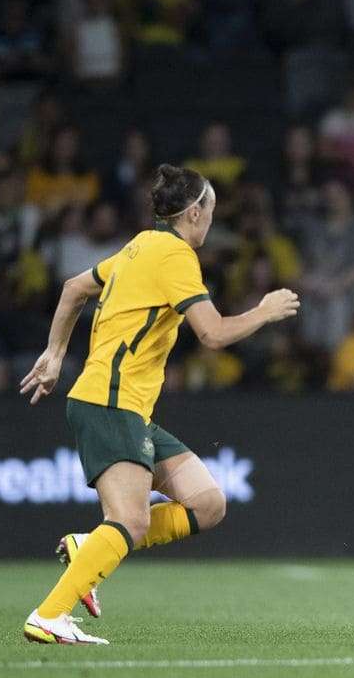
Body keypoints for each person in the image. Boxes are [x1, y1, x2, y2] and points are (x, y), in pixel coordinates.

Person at [18, 164, 300, 645]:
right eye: (211, 210)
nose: (212, 221)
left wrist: (55, 353)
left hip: (124, 405)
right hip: (112, 401)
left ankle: (90, 548)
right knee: (129, 520)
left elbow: (73, 289)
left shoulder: (139, 245)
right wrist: (264, 312)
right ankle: (50, 614)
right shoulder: (174, 255)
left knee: (207, 504)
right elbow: (211, 334)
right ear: (194, 212)